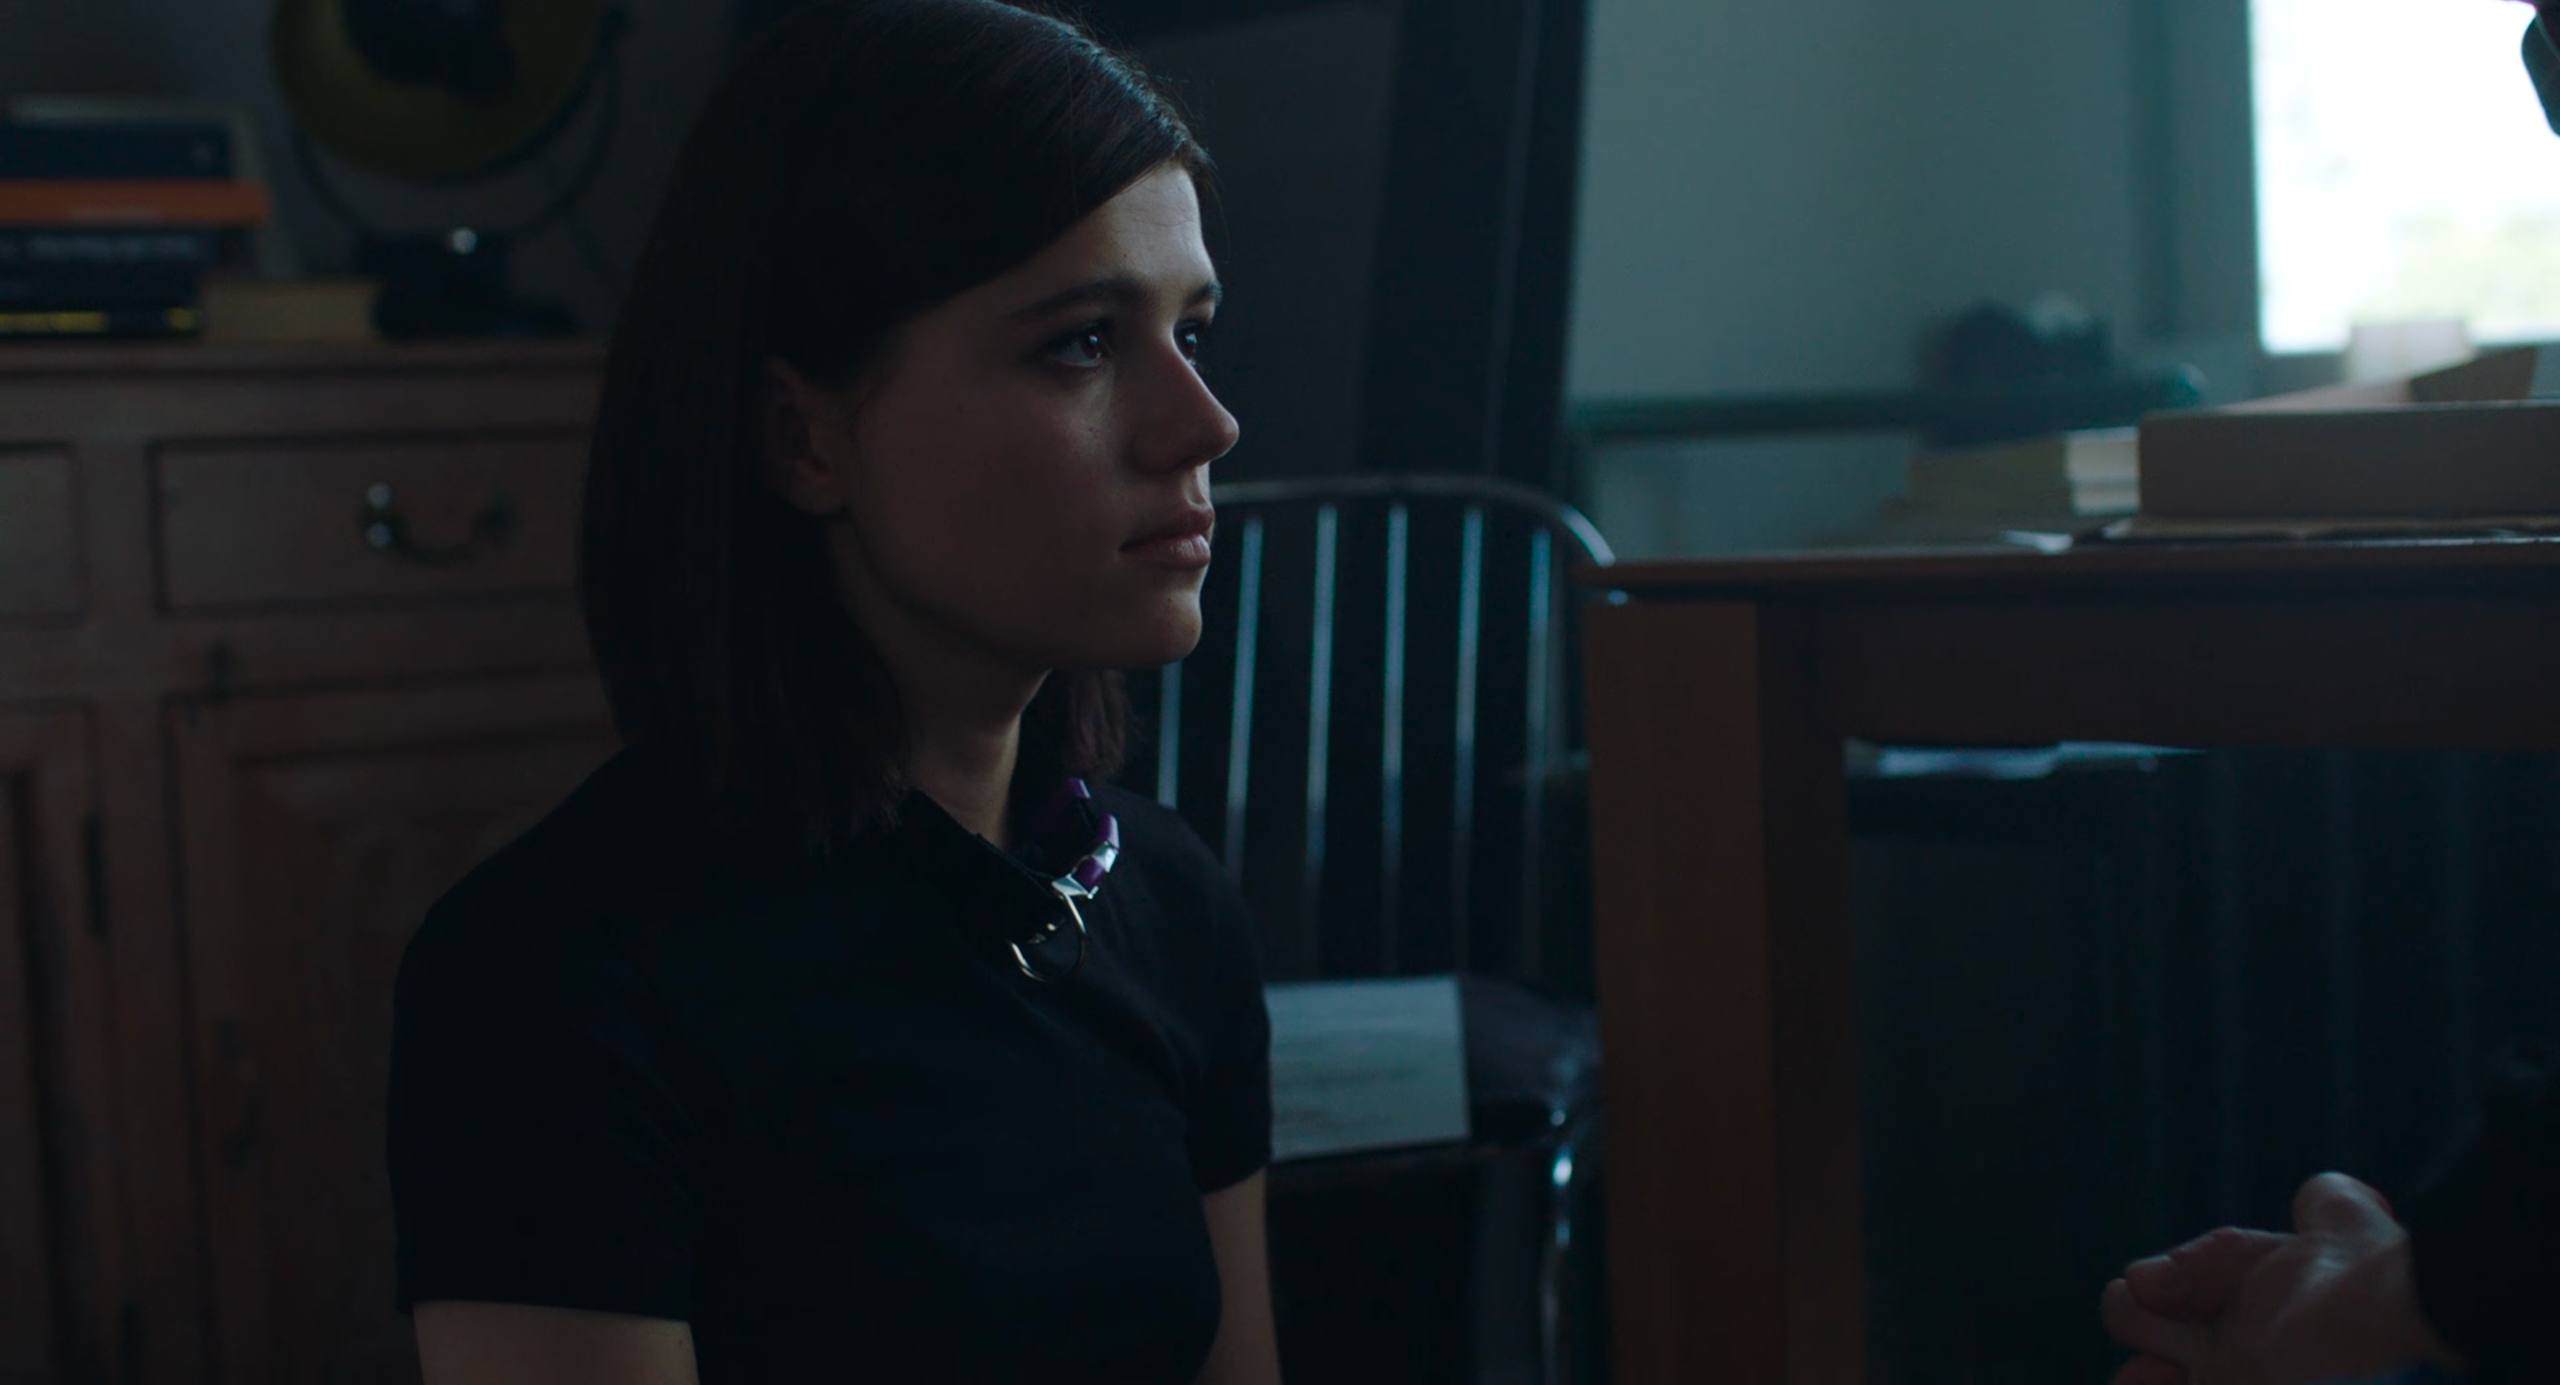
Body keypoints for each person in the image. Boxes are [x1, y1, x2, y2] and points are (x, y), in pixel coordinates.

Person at [382, 3, 1277, 1381]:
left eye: (1192, 333)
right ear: (804, 438)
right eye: (1084, 344)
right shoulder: (555, 986)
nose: (1203, 425)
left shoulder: (1168, 907)